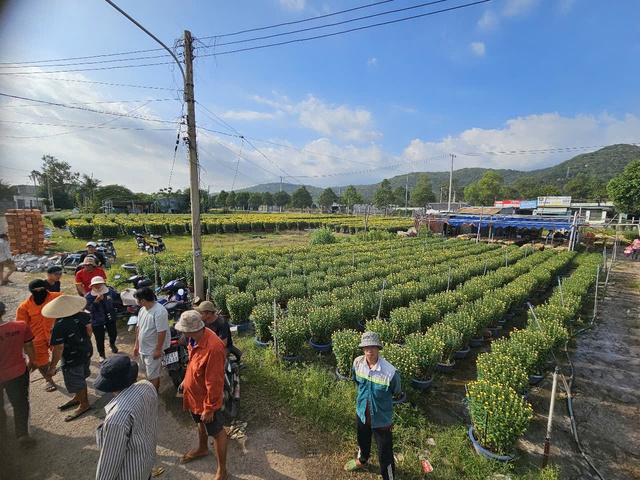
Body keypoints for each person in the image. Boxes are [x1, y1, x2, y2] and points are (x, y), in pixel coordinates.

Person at [175, 310, 228, 480]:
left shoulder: (213, 347)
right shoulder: (194, 339)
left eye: (184, 330)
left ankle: (222, 470)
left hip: (207, 400)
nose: (182, 333)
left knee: (217, 432)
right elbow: (193, 362)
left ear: (192, 329)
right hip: (194, 395)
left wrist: (210, 408)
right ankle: (203, 448)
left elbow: (215, 382)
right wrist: (185, 379)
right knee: (199, 421)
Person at [344, 331, 401, 480]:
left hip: (381, 419)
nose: (370, 351)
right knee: (363, 440)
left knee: (385, 453)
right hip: (362, 413)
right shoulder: (357, 363)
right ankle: (362, 460)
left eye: (373, 347)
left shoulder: (390, 372)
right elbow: (357, 382)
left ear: (378, 348)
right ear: (363, 349)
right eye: (366, 347)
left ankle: (389, 477)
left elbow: (396, 390)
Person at [94, 355, 158, 480]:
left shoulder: (117, 417)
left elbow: (110, 461)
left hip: (130, 474)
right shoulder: (147, 386)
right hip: (147, 461)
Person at [45, 295, 93, 422]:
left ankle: (84, 404)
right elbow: (89, 331)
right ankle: (78, 397)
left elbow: (59, 347)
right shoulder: (83, 315)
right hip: (86, 350)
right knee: (82, 374)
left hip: (72, 357)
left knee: (76, 379)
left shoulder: (59, 325)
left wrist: (52, 366)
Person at [0, 301, 38, 448]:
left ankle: (2, 434)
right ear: (4, 312)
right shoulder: (20, 326)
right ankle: (22, 435)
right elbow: (28, 345)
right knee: (20, 403)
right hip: (17, 371)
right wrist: (32, 361)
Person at [15, 279, 62, 392]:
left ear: (45, 288)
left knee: (64, 353)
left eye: (41, 289)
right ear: (31, 292)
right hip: (36, 337)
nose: (39, 292)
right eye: (35, 290)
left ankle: (67, 373)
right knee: (40, 361)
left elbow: (69, 310)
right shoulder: (24, 307)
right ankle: (48, 380)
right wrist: (24, 344)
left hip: (56, 333)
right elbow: (21, 326)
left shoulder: (57, 297)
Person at [133, 286, 170, 393]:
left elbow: (161, 331)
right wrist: (136, 344)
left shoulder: (159, 311)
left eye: (137, 299)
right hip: (143, 348)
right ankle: (150, 391)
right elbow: (139, 328)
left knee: (153, 375)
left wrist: (158, 349)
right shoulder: (142, 310)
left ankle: (153, 395)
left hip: (152, 349)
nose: (136, 302)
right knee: (147, 372)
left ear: (143, 300)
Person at [85, 276, 119, 362]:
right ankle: (102, 354)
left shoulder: (109, 291)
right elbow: (89, 309)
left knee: (113, 332)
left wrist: (125, 292)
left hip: (109, 316)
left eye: (99, 284)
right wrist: (96, 301)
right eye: (95, 284)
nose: (97, 286)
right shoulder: (89, 296)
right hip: (96, 319)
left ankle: (112, 344)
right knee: (99, 338)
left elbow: (116, 296)